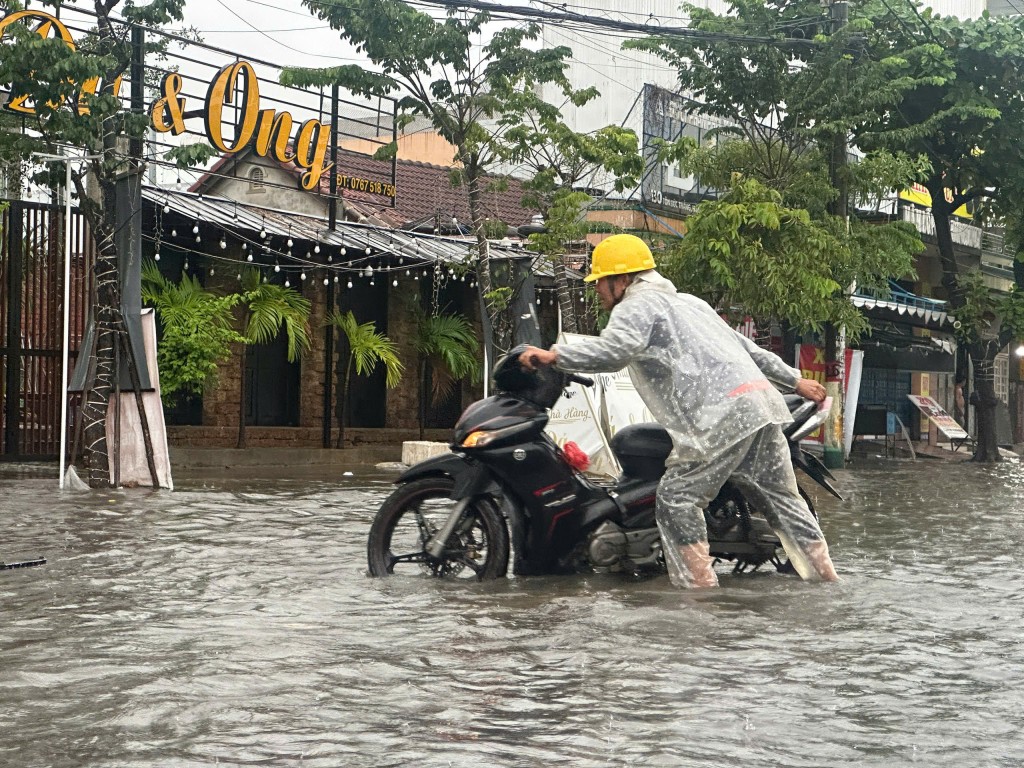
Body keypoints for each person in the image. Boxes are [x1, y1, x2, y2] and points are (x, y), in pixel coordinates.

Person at [519, 234, 838, 588]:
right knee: (784, 501)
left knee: (676, 499)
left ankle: (698, 595)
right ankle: (826, 581)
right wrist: (795, 381)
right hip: (759, 407)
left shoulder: (637, 305)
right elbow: (748, 348)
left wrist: (555, 356)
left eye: (600, 284)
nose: (598, 292)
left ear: (621, 280)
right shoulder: (690, 303)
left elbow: (616, 350)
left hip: (720, 417)